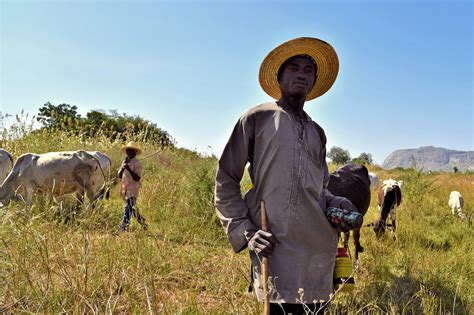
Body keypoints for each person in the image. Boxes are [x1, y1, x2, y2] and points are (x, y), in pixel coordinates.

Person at [214, 37, 357, 314]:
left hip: (318, 251)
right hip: (275, 247)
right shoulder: (257, 118)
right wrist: (247, 232)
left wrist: (337, 203)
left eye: (308, 69)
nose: (301, 73)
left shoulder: (318, 132)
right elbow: (225, 178)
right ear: (278, 77)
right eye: (293, 67)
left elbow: (320, 190)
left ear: (314, 81)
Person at [118, 141, 148, 231]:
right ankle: (142, 222)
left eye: (131, 151)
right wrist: (123, 168)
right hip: (125, 188)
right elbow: (119, 175)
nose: (129, 152)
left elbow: (137, 178)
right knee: (131, 207)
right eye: (128, 151)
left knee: (128, 207)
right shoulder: (125, 161)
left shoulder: (137, 163)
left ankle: (122, 227)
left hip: (133, 188)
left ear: (135, 152)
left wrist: (129, 169)